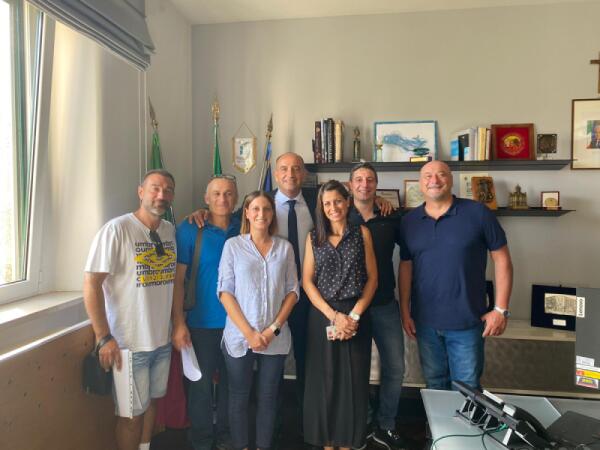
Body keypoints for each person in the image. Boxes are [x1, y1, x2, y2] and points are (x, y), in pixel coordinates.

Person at [83, 169, 177, 450]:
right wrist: (103, 337)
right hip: (128, 345)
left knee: (151, 406)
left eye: (168, 190)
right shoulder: (117, 230)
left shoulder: (169, 230)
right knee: (130, 418)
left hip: (162, 341)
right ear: (141, 192)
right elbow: (91, 284)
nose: (161, 195)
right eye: (155, 188)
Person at [399, 161, 513, 390]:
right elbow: (406, 266)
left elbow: (502, 260)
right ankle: (440, 419)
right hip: (425, 323)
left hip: (467, 322)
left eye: (441, 174)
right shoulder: (409, 221)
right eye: (428, 176)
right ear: (420, 184)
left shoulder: (478, 213)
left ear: (450, 180)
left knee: (467, 389)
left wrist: (500, 309)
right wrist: (404, 310)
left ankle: (463, 418)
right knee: (435, 385)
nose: (434, 180)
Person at [217, 190, 299, 450]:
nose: (261, 214)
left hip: (275, 337)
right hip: (239, 336)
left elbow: (293, 291)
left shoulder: (285, 248)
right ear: (247, 213)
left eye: (266, 209)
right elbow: (225, 292)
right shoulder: (233, 246)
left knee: (268, 397)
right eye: (255, 209)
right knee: (238, 396)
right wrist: (250, 334)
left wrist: (272, 329)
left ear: (272, 214)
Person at [302, 180, 378, 450]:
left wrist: (353, 316)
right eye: (327, 203)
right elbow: (307, 282)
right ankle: (327, 442)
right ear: (321, 208)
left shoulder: (362, 233)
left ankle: (348, 442)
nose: (332, 207)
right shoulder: (314, 237)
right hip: (323, 315)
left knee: (353, 383)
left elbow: (372, 279)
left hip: (356, 314)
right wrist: (334, 316)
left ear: (347, 202)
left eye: (337, 201)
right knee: (325, 381)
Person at [171, 175, 240, 450]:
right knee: (200, 388)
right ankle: (201, 441)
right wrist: (178, 323)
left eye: (229, 194)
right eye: (217, 193)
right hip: (201, 324)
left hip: (239, 324)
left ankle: (226, 437)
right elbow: (178, 281)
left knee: (232, 387)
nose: (223, 199)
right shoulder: (190, 229)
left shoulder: (245, 226)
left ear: (236, 198)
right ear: (206, 198)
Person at [347, 163, 406, 450]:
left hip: (384, 303)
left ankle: (386, 424)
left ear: (376, 184)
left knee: (395, 366)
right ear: (350, 185)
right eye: (358, 179)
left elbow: (407, 258)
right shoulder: (341, 215)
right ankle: (364, 422)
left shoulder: (391, 216)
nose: (364, 184)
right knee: (354, 369)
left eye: (370, 179)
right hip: (352, 307)